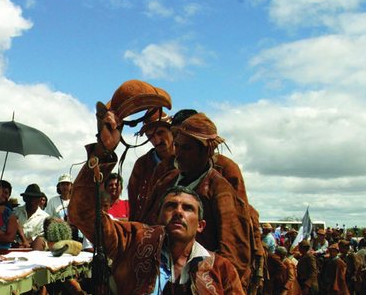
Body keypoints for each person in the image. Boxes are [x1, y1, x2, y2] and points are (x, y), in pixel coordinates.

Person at [69, 108, 245, 294]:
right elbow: (83, 213)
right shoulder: (136, 242)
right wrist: (103, 151)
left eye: (187, 208)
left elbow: (235, 247)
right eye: (170, 205)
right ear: (158, 214)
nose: (178, 211)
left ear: (201, 224)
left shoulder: (220, 269)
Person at [140, 112, 253, 285]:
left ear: (206, 151)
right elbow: (145, 223)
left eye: (187, 148)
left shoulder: (221, 190)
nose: (179, 154)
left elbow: (234, 252)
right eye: (177, 146)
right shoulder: (167, 179)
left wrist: (208, 282)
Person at [127, 109, 173, 221]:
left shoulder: (187, 159)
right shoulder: (142, 165)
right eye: (150, 136)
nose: (156, 140)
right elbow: (134, 204)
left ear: (172, 130)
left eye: (160, 133)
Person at [12, 184, 49, 249]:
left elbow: (41, 236)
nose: (32, 201)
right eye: (29, 198)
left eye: (35, 198)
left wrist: (25, 242)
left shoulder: (45, 218)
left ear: (40, 199)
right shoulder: (15, 212)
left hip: (35, 249)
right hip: (15, 247)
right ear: (24, 198)